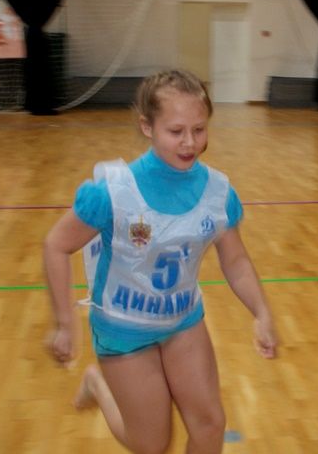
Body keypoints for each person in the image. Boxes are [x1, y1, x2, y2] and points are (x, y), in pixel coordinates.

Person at [43, 69, 277, 454]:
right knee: (152, 444)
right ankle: (99, 385)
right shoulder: (113, 192)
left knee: (210, 425)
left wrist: (262, 312)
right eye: (176, 131)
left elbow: (236, 262)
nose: (190, 142)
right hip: (124, 328)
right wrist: (65, 324)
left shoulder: (218, 192)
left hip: (182, 321)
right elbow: (56, 245)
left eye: (199, 130)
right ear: (147, 127)